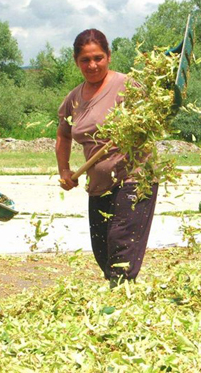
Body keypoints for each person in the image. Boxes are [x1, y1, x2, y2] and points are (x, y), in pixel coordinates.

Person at [55, 29, 158, 288]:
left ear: (109, 56)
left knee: (121, 249)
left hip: (134, 178)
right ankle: (119, 297)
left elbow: (153, 120)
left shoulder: (128, 86)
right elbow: (63, 136)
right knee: (102, 250)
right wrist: (64, 170)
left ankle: (119, 307)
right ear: (76, 61)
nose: (92, 65)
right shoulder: (74, 99)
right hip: (98, 186)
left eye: (98, 58)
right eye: (85, 60)